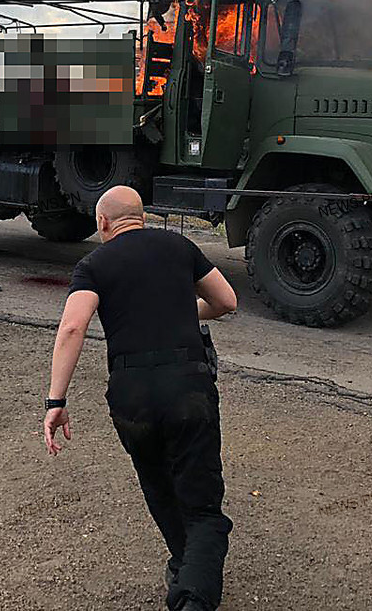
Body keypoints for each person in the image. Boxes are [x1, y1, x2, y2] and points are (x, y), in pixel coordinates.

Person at [43, 186, 237, 611]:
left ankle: (186, 568)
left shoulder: (93, 264)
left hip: (131, 395)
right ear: (143, 218)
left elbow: (72, 328)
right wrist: (184, 312)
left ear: (102, 222)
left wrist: (55, 402)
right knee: (204, 509)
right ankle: (193, 594)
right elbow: (226, 301)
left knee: (158, 485)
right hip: (188, 387)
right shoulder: (179, 246)